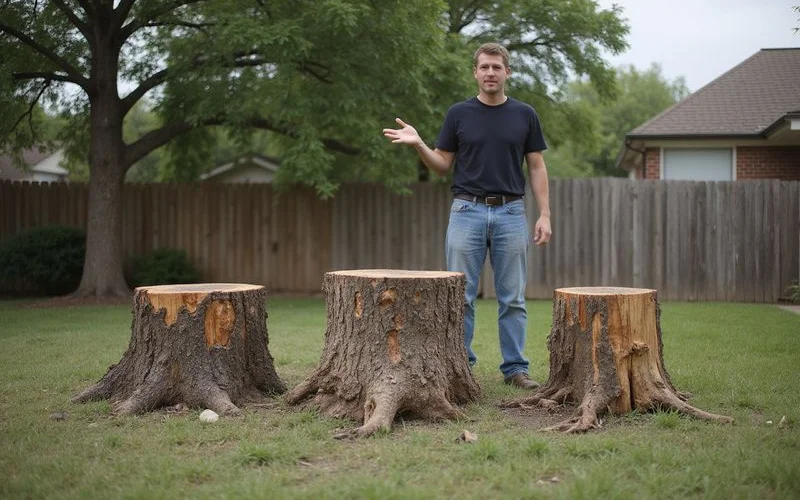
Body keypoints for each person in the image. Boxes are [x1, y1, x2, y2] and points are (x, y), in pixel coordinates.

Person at [382, 42, 552, 389]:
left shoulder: (525, 114)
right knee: (460, 296)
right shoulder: (458, 114)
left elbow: (536, 165)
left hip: (511, 212)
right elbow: (442, 164)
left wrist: (545, 214)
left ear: (507, 72)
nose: (491, 73)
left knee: (514, 298)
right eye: (484, 67)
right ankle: (460, 368)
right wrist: (419, 144)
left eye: (497, 67)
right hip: (466, 211)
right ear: (475, 72)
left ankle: (516, 369)